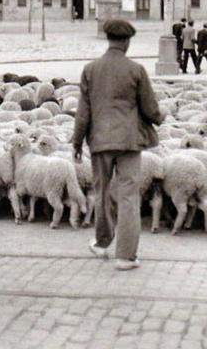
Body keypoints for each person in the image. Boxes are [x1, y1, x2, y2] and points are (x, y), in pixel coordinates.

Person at [73, 19, 163, 271]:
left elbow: (83, 112)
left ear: (108, 39)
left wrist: (77, 142)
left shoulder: (90, 69)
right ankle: (125, 256)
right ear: (126, 41)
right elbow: (150, 108)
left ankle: (102, 243)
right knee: (128, 197)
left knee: (101, 194)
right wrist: (159, 117)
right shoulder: (136, 70)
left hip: (100, 141)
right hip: (129, 142)